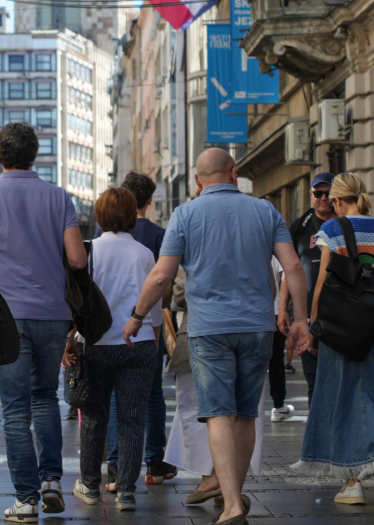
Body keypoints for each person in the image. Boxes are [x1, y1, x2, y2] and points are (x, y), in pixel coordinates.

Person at [123, 148, 311, 525]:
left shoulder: (185, 215)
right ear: (234, 173)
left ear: (196, 180)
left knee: (218, 415)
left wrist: (137, 316)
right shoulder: (264, 210)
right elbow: (292, 265)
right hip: (258, 327)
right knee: (245, 415)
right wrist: (301, 320)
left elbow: (162, 276)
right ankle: (232, 497)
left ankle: (232, 504)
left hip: (210, 330)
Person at [0, 122, 88, 522]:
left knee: (16, 408)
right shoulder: (58, 197)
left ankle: (27, 499)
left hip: (7, 316)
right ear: (35, 153)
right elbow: (77, 259)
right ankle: (53, 480)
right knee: (45, 398)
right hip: (54, 314)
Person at [291, 172, 374, 504]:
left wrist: (314, 327)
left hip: (341, 325)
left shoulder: (332, 230)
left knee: (342, 396)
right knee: (373, 390)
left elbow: (324, 286)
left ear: (338, 201)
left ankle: (353, 482)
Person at [66, 187, 162, 511]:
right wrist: (155, 339)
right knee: (133, 419)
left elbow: (76, 303)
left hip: (96, 345)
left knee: (94, 417)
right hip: (139, 343)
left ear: (99, 214)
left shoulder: (88, 251)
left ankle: (90, 485)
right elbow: (156, 304)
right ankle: (126, 492)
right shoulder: (145, 254)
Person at [92, 172, 176, 490]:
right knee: (151, 397)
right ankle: (154, 460)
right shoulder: (157, 237)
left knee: (115, 401)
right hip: (143, 332)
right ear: (149, 200)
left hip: (104, 334)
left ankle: (115, 465)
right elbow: (161, 286)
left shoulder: (95, 245)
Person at [164, 264, 270, 507]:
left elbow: (179, 292)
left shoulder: (193, 232)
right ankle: (231, 486)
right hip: (252, 326)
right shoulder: (256, 232)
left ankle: (212, 479)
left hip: (205, 327)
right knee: (244, 413)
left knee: (205, 409)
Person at [278, 172, 336, 407]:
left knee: (337, 380)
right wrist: (282, 308)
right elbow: (288, 270)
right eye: (318, 193)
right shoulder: (300, 226)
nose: (324, 198)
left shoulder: (344, 224)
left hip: (339, 316)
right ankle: (317, 435)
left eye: (328, 193)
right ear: (311, 195)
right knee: (314, 381)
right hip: (309, 319)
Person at [269, 257, 294, 422]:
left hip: (244, 312)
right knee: (275, 359)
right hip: (273, 310)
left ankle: (279, 405)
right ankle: (278, 405)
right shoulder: (271, 244)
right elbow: (287, 272)